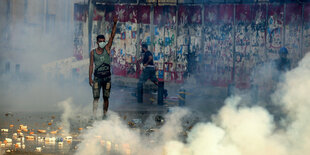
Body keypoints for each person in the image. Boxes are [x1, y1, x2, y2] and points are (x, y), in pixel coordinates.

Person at [89, 17, 118, 120]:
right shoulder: (93, 52)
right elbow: (91, 65)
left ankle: (104, 115)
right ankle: (94, 115)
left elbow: (112, 36)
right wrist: (90, 78)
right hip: (97, 78)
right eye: (100, 41)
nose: (102, 42)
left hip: (107, 78)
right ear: (97, 42)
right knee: (96, 98)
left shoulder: (107, 49)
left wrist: (115, 24)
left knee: (106, 98)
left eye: (103, 41)